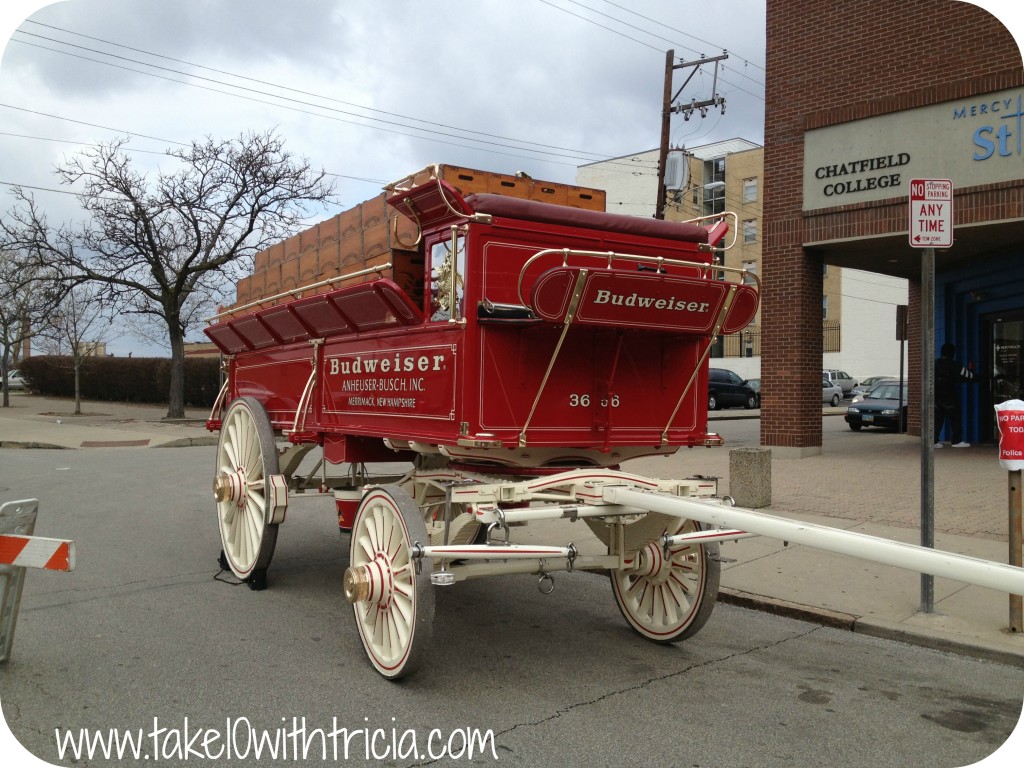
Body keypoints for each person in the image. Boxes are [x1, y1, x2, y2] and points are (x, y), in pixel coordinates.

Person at [934, 342, 975, 448]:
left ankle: (933, 441)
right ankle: (956, 441)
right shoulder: (954, 365)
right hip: (950, 397)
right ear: (952, 353)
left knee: (937, 420)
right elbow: (969, 376)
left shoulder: (934, 364)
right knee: (955, 419)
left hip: (936, 397)